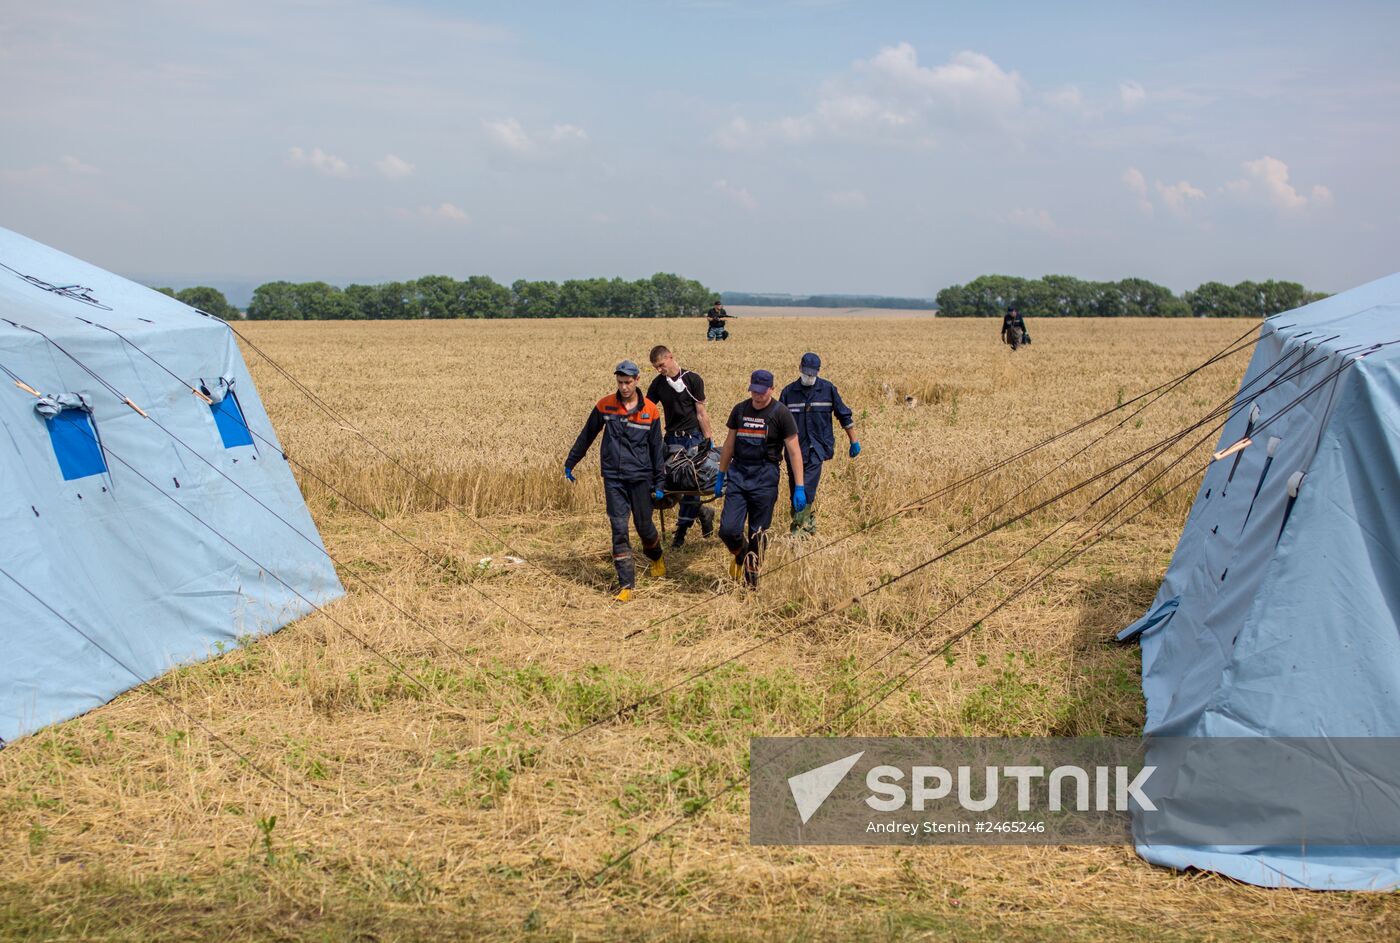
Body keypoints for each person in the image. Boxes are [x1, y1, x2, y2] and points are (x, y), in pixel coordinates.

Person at [564, 360, 667, 602]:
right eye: (620, 383)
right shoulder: (605, 406)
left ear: (637, 381)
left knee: (644, 527)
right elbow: (587, 434)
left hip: (641, 477)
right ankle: (626, 586)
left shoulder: (650, 410)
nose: (623, 387)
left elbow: (656, 448)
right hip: (613, 477)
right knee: (619, 529)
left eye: (628, 382)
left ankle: (656, 556)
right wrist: (571, 462)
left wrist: (660, 482)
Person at [714, 369, 806, 587]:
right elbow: (729, 445)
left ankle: (750, 583)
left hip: (765, 477)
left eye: (762, 392)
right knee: (728, 530)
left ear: (771, 390)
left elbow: (794, 451)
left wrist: (800, 486)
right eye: (754, 391)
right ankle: (742, 555)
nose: (757, 396)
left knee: (758, 534)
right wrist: (721, 473)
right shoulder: (740, 410)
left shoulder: (781, 414)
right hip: (739, 475)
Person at [778, 352, 860, 536]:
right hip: (794, 450)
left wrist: (853, 440)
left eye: (812, 374)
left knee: (806, 489)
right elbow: (778, 424)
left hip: (817, 447)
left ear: (818, 372)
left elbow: (843, 414)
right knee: (795, 490)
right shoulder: (788, 393)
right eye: (806, 373)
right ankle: (808, 524)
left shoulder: (828, 389)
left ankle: (799, 532)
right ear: (800, 369)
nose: (808, 377)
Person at [646, 345, 716, 548]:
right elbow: (648, 409)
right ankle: (704, 512)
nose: (659, 370)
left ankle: (681, 534)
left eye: (661, 365)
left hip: (693, 439)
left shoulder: (692, 379)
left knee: (691, 484)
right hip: (672, 440)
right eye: (655, 367)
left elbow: (701, 412)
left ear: (670, 357)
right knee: (674, 486)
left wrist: (708, 439)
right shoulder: (658, 384)